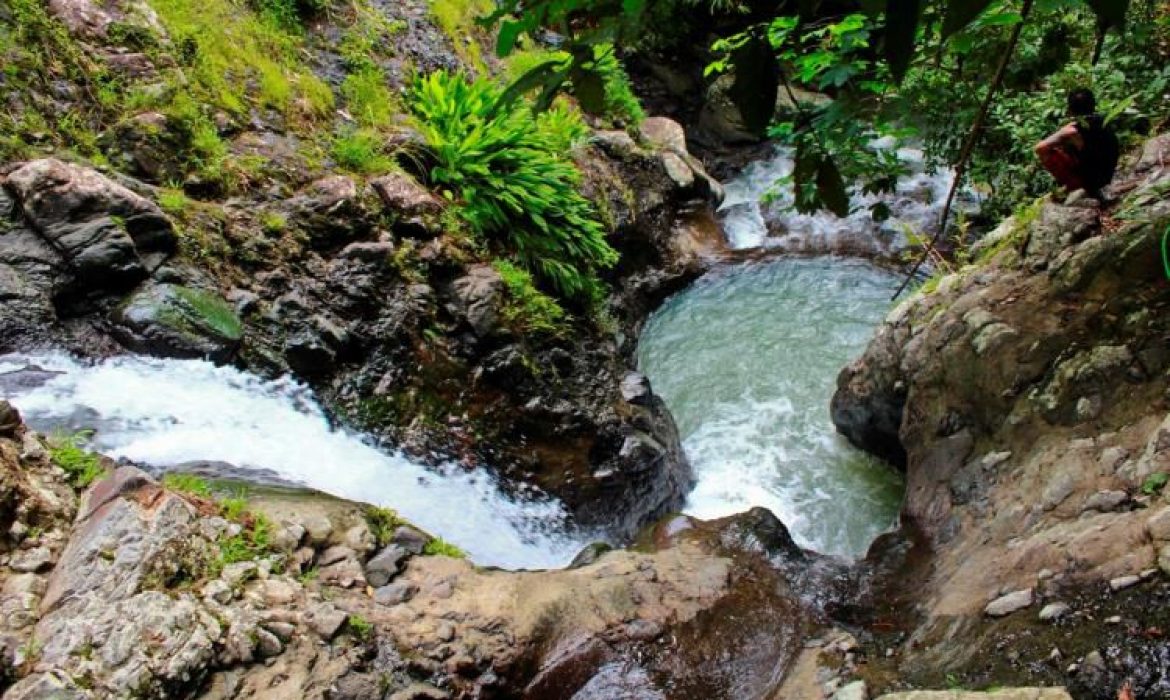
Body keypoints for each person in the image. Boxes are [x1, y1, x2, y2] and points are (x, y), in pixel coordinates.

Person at [1034, 87, 1120, 198]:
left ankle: (1077, 187)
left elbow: (1039, 148)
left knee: (1047, 151)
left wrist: (1062, 132)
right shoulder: (1103, 120)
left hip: (1092, 180)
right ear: (1093, 104)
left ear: (1070, 109)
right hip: (1108, 174)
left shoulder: (1074, 131)